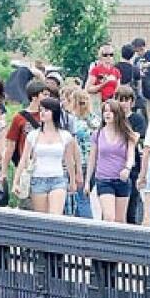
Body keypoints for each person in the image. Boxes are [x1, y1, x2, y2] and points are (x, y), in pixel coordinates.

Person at [18, 97, 81, 215]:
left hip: (58, 179)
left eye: (46, 110)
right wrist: (16, 181)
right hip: (38, 179)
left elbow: (69, 160)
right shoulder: (33, 135)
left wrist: (72, 180)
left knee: (55, 216)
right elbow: (24, 159)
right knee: (42, 218)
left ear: (54, 113)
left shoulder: (65, 135)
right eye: (41, 109)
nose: (42, 112)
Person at [85, 99, 138, 223]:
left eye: (111, 111)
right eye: (105, 111)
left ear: (117, 114)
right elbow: (92, 158)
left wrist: (127, 168)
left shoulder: (127, 135)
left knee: (120, 220)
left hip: (121, 180)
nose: (107, 114)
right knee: (109, 216)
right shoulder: (98, 134)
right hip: (103, 179)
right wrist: (88, 181)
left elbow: (131, 156)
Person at [2, 79, 47, 200]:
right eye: (44, 94)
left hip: (46, 166)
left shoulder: (49, 115)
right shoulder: (19, 118)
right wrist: (4, 171)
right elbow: (10, 146)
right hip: (26, 167)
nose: (47, 97)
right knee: (26, 201)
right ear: (34, 97)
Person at [115, 85, 148, 224]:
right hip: (114, 161)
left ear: (132, 102)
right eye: (120, 100)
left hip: (132, 163)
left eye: (126, 100)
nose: (123, 103)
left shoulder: (137, 119)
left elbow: (137, 137)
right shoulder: (111, 118)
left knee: (132, 199)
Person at [64, 88, 97, 218]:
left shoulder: (72, 121)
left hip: (78, 163)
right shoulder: (95, 120)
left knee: (81, 198)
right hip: (94, 163)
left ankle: (87, 228)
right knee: (83, 196)